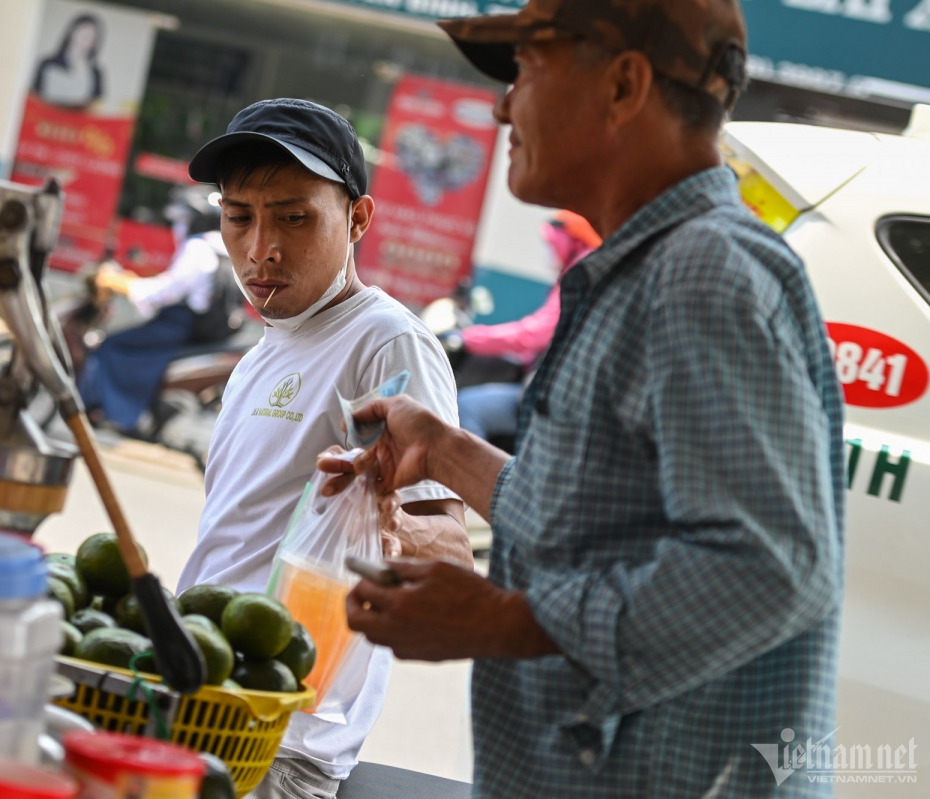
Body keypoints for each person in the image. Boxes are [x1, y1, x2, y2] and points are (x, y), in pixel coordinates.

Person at [323, 1, 846, 796]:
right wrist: (445, 449)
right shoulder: (648, 271)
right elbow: (604, 521)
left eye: (527, 69)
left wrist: (501, 620)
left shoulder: (702, 275)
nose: (503, 105)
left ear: (623, 85)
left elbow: (769, 568)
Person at [177, 98, 471, 798]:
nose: (260, 248)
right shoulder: (258, 358)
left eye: (294, 217)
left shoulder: (387, 343)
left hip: (280, 738)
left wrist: (385, 521)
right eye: (239, 216)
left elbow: (453, 553)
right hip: (197, 700)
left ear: (359, 219)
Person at [78, 198, 232, 434]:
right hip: (195, 326)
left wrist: (125, 285)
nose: (178, 227)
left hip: (178, 324)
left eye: (184, 221)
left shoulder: (198, 248)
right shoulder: (223, 248)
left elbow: (166, 291)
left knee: (111, 347)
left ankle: (111, 413)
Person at [456, 210, 599, 442]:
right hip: (559, 387)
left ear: (567, 239)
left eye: (550, 241)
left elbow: (537, 333)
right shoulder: (584, 267)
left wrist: (473, 338)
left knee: (467, 406)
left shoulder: (582, 271)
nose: (547, 249)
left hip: (552, 395)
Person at [32, 14, 105, 110]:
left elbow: (96, 106)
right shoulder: (47, 64)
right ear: (72, 31)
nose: (87, 37)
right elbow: (34, 97)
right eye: (84, 32)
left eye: (92, 35)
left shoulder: (96, 73)